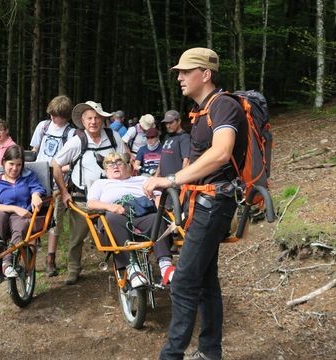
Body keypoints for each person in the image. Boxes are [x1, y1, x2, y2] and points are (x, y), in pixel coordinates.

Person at [143, 48, 247, 360]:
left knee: (184, 282)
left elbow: (221, 153)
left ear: (206, 74)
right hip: (205, 202)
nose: (179, 77)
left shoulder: (224, 106)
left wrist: (171, 179)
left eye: (186, 71)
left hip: (215, 203)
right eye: (178, 72)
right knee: (204, 281)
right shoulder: (201, 112)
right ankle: (210, 352)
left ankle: (172, 355)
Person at [52, 101, 126, 285]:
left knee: (119, 231)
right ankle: (73, 270)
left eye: (97, 118)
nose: (93, 122)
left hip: (111, 197)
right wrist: (64, 192)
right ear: (83, 121)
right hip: (82, 198)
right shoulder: (78, 140)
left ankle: (124, 266)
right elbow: (56, 164)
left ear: (102, 119)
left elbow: (126, 159)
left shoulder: (113, 136)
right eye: (89, 118)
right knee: (77, 237)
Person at [87, 153, 175, 288]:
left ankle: (166, 266)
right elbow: (91, 204)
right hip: (116, 216)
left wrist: (160, 206)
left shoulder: (141, 179)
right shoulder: (101, 183)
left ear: (128, 167)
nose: (114, 165)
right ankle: (132, 269)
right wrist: (111, 207)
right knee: (111, 218)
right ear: (105, 170)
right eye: (109, 164)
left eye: (119, 162)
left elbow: (158, 197)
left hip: (142, 214)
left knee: (156, 219)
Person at [29, 95, 75, 277]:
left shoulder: (71, 133)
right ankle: (30, 258)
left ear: (65, 116)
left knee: (55, 220)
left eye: (56, 115)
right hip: (38, 179)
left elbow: (72, 162)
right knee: (33, 216)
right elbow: (34, 151)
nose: (52, 118)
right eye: (51, 114)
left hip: (58, 182)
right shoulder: (43, 126)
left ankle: (50, 258)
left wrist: (56, 170)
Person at [0, 145, 47, 278]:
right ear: (3, 162)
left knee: (20, 225)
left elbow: (37, 188)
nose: (14, 168)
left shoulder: (28, 176)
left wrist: (36, 194)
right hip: (2, 213)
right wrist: (14, 208)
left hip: (22, 216)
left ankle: (8, 262)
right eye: (11, 164)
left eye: (18, 165)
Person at [155, 109, 190, 177]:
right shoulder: (167, 136)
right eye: (166, 123)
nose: (168, 126)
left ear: (179, 121)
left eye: (171, 122)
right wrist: (156, 176)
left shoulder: (184, 137)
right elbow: (162, 158)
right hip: (163, 180)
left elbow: (186, 161)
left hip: (174, 183)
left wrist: (181, 181)